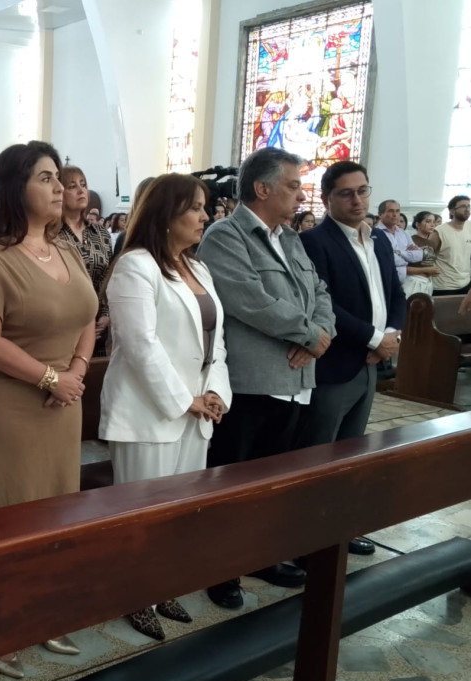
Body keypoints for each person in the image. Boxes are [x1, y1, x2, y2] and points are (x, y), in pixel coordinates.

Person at [0, 140, 97, 677]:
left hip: (63, 402)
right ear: (16, 188)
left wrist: (76, 372)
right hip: (10, 405)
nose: (59, 187)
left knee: (54, 510)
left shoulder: (65, 250)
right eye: (45, 178)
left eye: (59, 177)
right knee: (7, 514)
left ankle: (39, 615)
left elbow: (87, 315)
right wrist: (51, 378)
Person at [197, 147, 336, 609]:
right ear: (262, 188)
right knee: (234, 485)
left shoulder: (290, 238)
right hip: (253, 384)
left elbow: (320, 291)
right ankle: (220, 569)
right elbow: (250, 300)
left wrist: (320, 335)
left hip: (296, 383)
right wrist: (309, 334)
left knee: (273, 484)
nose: (301, 195)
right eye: (293, 186)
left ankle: (260, 556)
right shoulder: (225, 235)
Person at [101, 173, 231, 640]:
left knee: (178, 513)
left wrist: (215, 392)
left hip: (197, 411)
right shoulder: (136, 266)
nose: (205, 215)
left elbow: (216, 342)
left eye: (204, 206)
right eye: (194, 207)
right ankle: (133, 595)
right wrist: (184, 400)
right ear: (166, 214)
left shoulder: (198, 268)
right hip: (148, 412)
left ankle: (161, 587)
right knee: (142, 514)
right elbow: (140, 345)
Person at [295, 164, 404, 452]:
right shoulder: (312, 241)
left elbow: (395, 293)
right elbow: (324, 304)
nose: (357, 200)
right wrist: (376, 339)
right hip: (335, 363)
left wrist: (391, 335)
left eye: (362, 191)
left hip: (371, 361)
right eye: (346, 194)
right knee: (317, 451)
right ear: (326, 199)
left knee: (352, 451)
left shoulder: (379, 239)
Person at [59, 165, 112, 356]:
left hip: (99, 324)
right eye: (72, 186)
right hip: (64, 325)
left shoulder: (100, 233)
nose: (81, 190)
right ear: (59, 192)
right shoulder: (52, 234)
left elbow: (108, 277)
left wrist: (106, 314)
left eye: (83, 185)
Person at [374, 199, 438, 297]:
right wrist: (406, 254)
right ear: (380, 214)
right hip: (385, 280)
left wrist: (398, 253)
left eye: (397, 211)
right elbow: (388, 259)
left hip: (405, 281)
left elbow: (420, 255)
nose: (395, 214)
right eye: (391, 211)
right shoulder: (375, 233)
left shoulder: (403, 233)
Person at [429, 195, 471, 295]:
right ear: (452, 211)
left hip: (466, 283)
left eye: (469, 206)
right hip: (444, 286)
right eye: (463, 206)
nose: (467, 209)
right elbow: (427, 258)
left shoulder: (469, 227)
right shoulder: (439, 232)